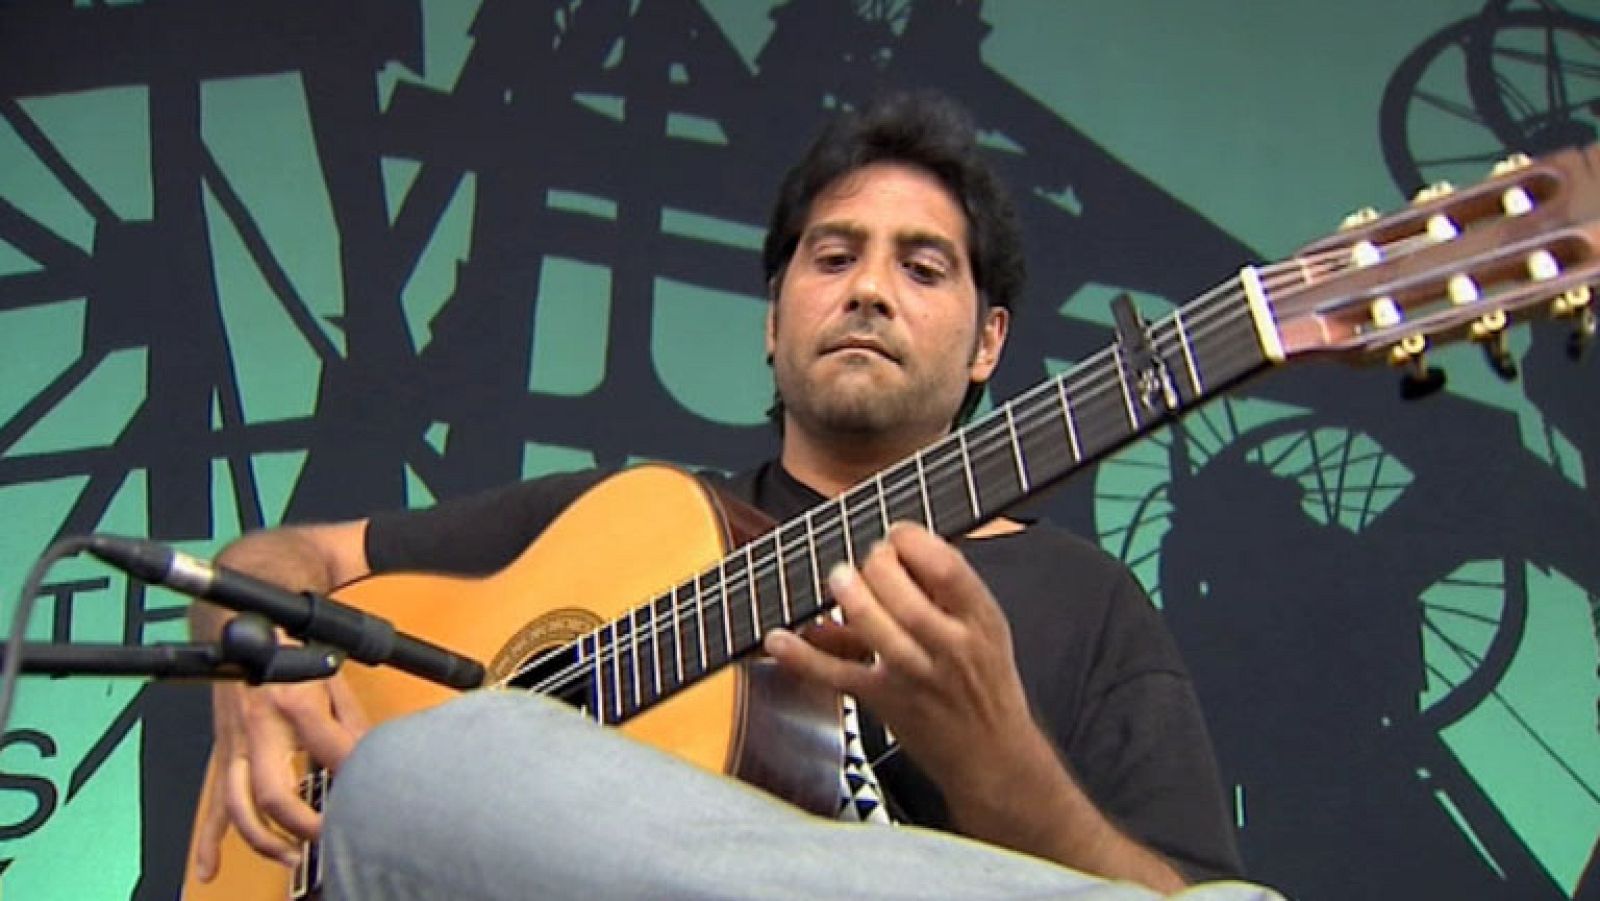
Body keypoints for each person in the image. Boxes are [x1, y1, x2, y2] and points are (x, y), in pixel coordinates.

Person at [189, 91, 1267, 899]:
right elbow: (283, 557)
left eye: (923, 268)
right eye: (832, 255)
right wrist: (257, 658)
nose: (868, 289)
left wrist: (996, 763)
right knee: (419, 769)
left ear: (990, 342)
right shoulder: (630, 520)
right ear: (771, 317)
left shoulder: (1085, 599)